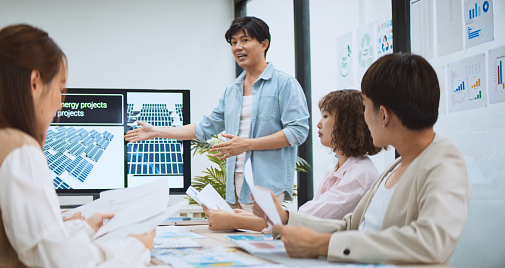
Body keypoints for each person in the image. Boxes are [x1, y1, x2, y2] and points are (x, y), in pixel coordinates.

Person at [0, 24, 154, 268]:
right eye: (60, 89)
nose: (60, 105)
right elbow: (55, 261)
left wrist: (83, 227)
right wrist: (136, 248)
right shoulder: (19, 150)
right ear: (34, 82)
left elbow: (29, 240)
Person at [254, 54, 472, 264]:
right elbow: (351, 227)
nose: (364, 118)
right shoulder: (397, 165)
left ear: (384, 115)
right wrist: (286, 218)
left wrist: (324, 245)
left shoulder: (444, 163)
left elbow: (430, 243)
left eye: (366, 107)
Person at [125, 16, 310, 210]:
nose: (238, 47)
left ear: (264, 43)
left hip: (266, 186)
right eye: (234, 42)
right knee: (236, 239)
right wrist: (156, 132)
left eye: (245, 40)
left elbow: (297, 132)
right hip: (234, 189)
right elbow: (204, 128)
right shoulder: (232, 91)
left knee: (261, 238)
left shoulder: (285, 84)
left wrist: (247, 145)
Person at [203, 89, 381, 231]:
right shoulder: (337, 168)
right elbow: (305, 217)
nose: (318, 124)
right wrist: (243, 217)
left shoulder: (360, 175)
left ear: (347, 124)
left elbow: (309, 221)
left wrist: (236, 221)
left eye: (326, 116)